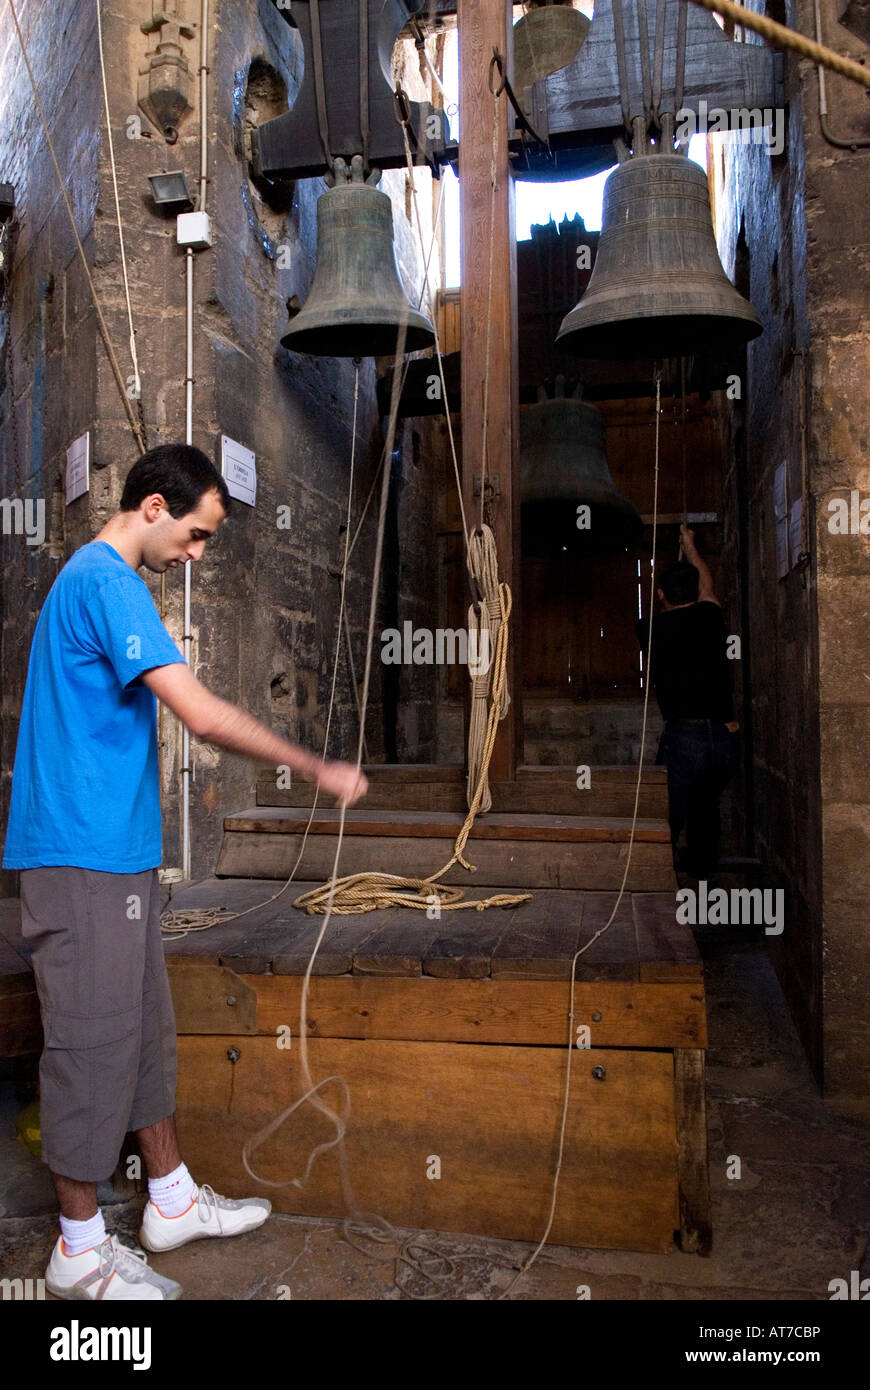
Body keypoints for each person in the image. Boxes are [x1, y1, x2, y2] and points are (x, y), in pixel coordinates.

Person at [1, 443, 369, 1301]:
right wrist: (316, 769)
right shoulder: (106, 582)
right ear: (156, 508)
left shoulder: (101, 584)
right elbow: (199, 715)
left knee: (142, 1032)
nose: (197, 556)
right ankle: (78, 1254)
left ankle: (167, 1199)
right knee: (89, 1046)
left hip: (115, 855)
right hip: (78, 856)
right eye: (198, 534)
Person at [637, 524, 739, 881]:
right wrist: (691, 546)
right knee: (705, 814)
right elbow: (708, 588)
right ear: (696, 592)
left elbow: (692, 595)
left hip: (685, 738)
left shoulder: (649, 629)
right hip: (722, 737)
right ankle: (702, 887)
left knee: (668, 813)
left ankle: (658, 886)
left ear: (661, 594)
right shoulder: (710, 617)